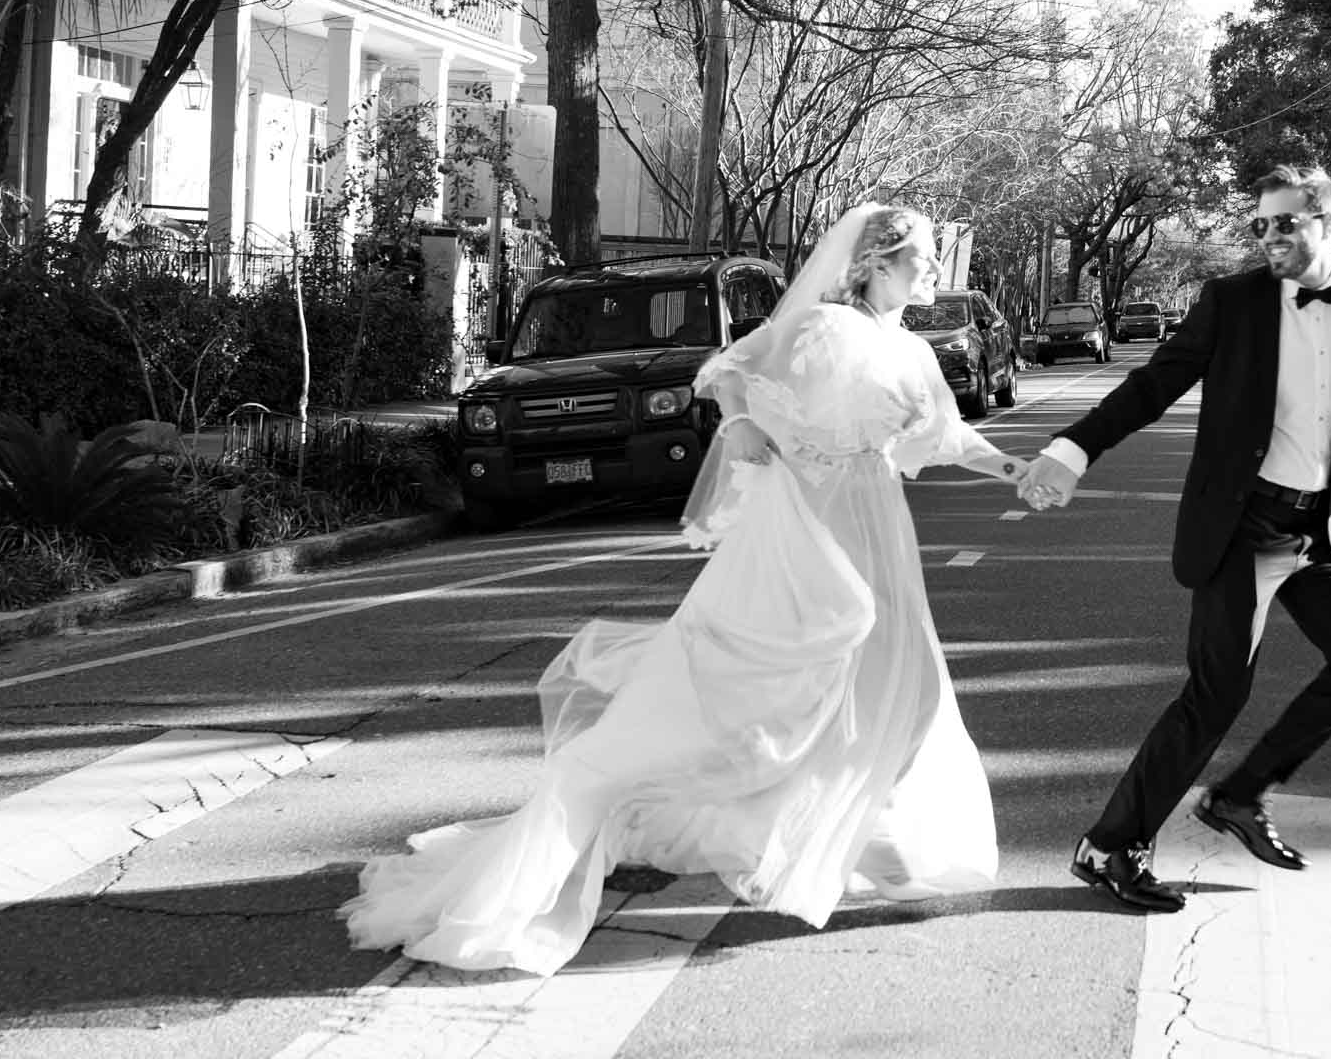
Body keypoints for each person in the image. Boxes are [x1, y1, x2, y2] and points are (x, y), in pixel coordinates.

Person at [343, 206, 1022, 973]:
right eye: (922, 258)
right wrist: (741, 429)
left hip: (878, 525)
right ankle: (776, 817)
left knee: (905, 683)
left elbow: (948, 436)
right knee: (787, 679)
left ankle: (866, 828)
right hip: (808, 524)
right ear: (873, 263)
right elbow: (728, 370)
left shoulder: (910, 350)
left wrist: (1017, 470)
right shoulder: (821, 330)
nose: (932, 271)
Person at [1015, 163, 1331, 912]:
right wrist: (1072, 452)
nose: (1268, 237)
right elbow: (1152, 384)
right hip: (1241, 522)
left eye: (1285, 223)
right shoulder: (1232, 302)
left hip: (1312, 523)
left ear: (1329, 222)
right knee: (1216, 694)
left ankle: (1239, 795)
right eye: (1259, 224)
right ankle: (1109, 847)